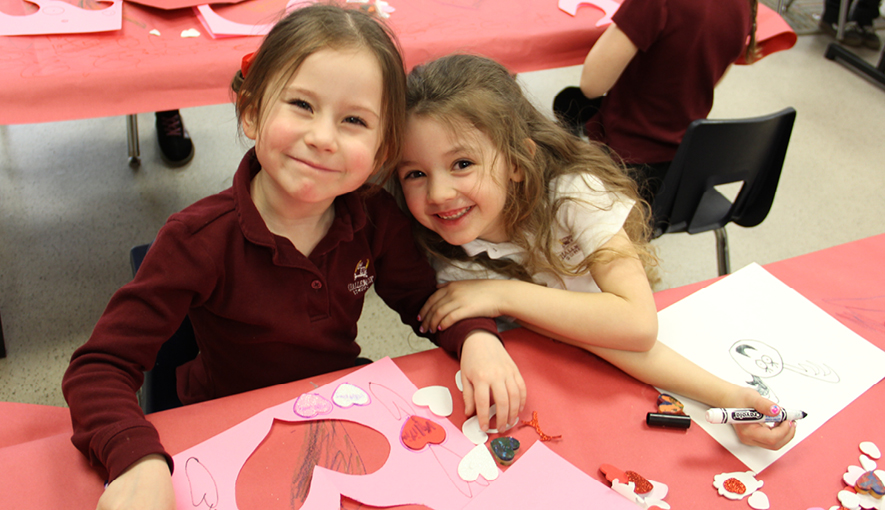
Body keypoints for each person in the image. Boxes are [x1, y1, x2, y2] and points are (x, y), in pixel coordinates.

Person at [62, 7, 524, 510]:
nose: (323, 137)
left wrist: (476, 336)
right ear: (252, 111)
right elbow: (99, 366)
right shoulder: (196, 240)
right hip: (227, 425)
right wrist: (135, 461)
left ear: (382, 148)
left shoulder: (376, 217)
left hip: (337, 409)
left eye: (353, 120)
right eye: (302, 104)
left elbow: (423, 301)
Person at [390, 54, 797, 452]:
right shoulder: (443, 240)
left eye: (462, 163)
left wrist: (501, 294)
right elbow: (590, 338)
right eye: (415, 174)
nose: (439, 193)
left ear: (518, 160)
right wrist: (480, 339)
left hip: (603, 367)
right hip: (562, 372)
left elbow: (636, 327)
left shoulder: (575, 193)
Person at [552, 0, 759, 228]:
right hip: (684, 179)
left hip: (624, 172)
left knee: (566, 106)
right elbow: (708, 79)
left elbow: (591, 85)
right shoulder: (745, 6)